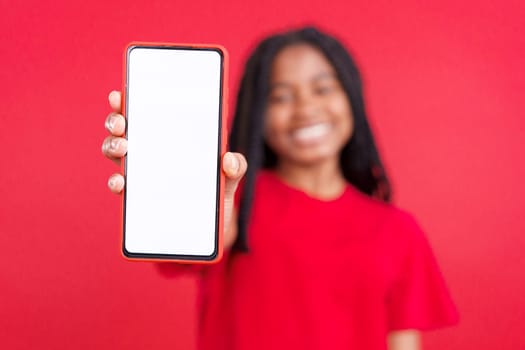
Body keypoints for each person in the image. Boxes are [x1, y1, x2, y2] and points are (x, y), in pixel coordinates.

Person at [101, 27, 458, 350]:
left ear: (351, 94)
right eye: (280, 97)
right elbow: (174, 253)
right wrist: (180, 200)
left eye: (322, 88)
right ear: (256, 114)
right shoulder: (233, 200)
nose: (305, 108)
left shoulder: (398, 231)